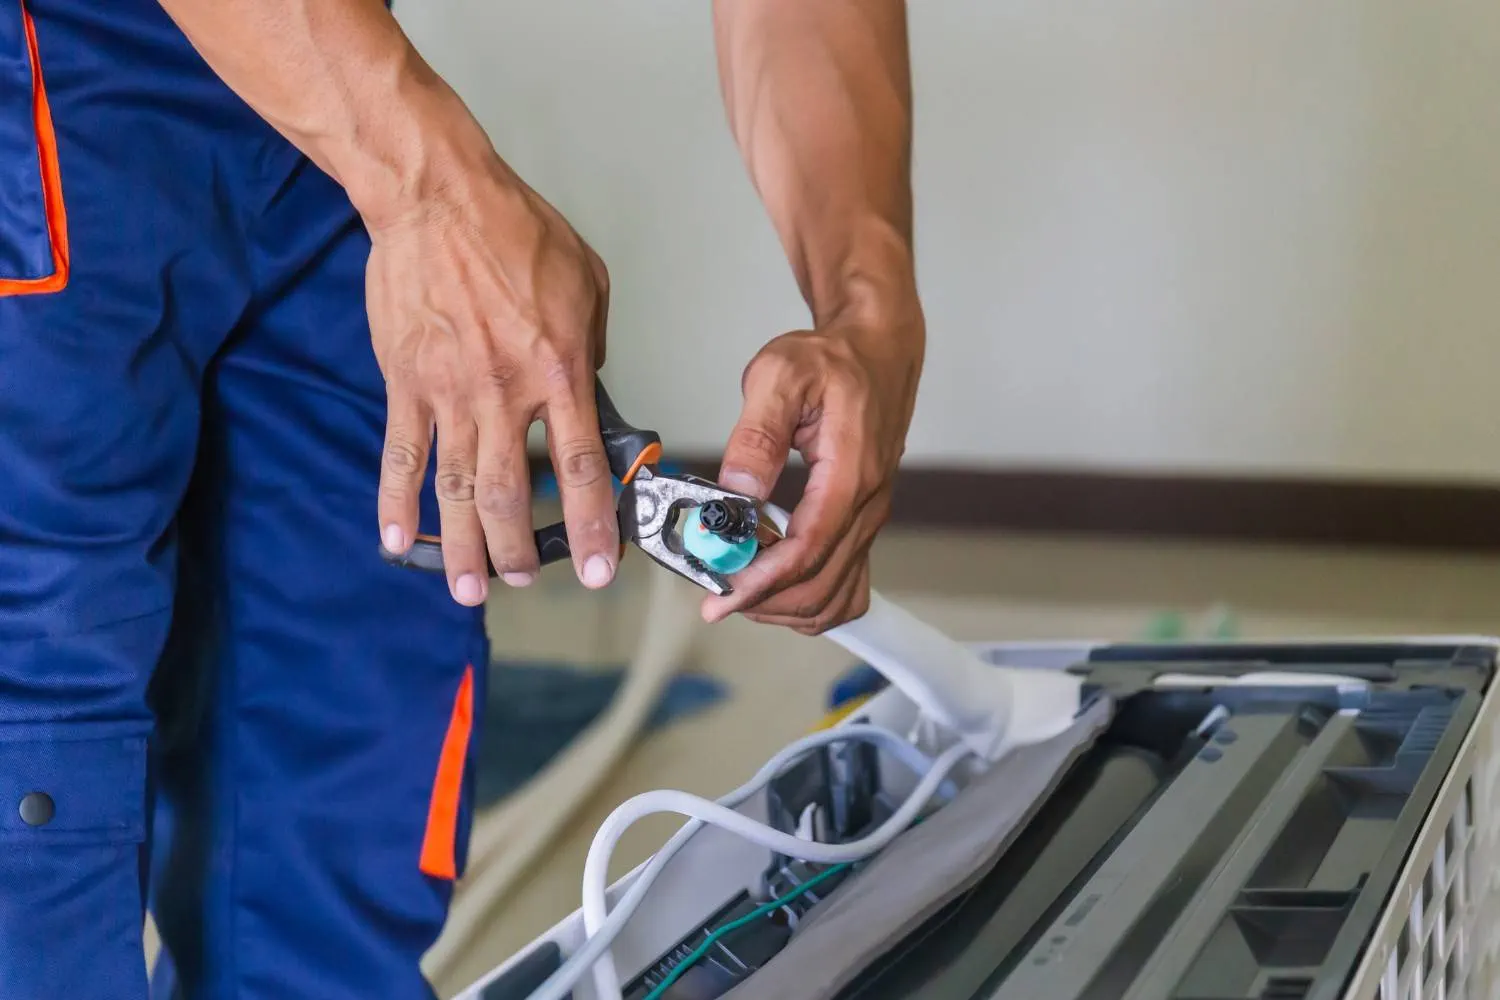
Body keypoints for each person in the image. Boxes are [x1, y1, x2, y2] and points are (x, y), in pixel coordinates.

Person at [0, 0, 925, 996]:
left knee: (345, 741)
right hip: (52, 80)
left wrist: (868, 307)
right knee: (39, 764)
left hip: (332, 89)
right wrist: (432, 185)